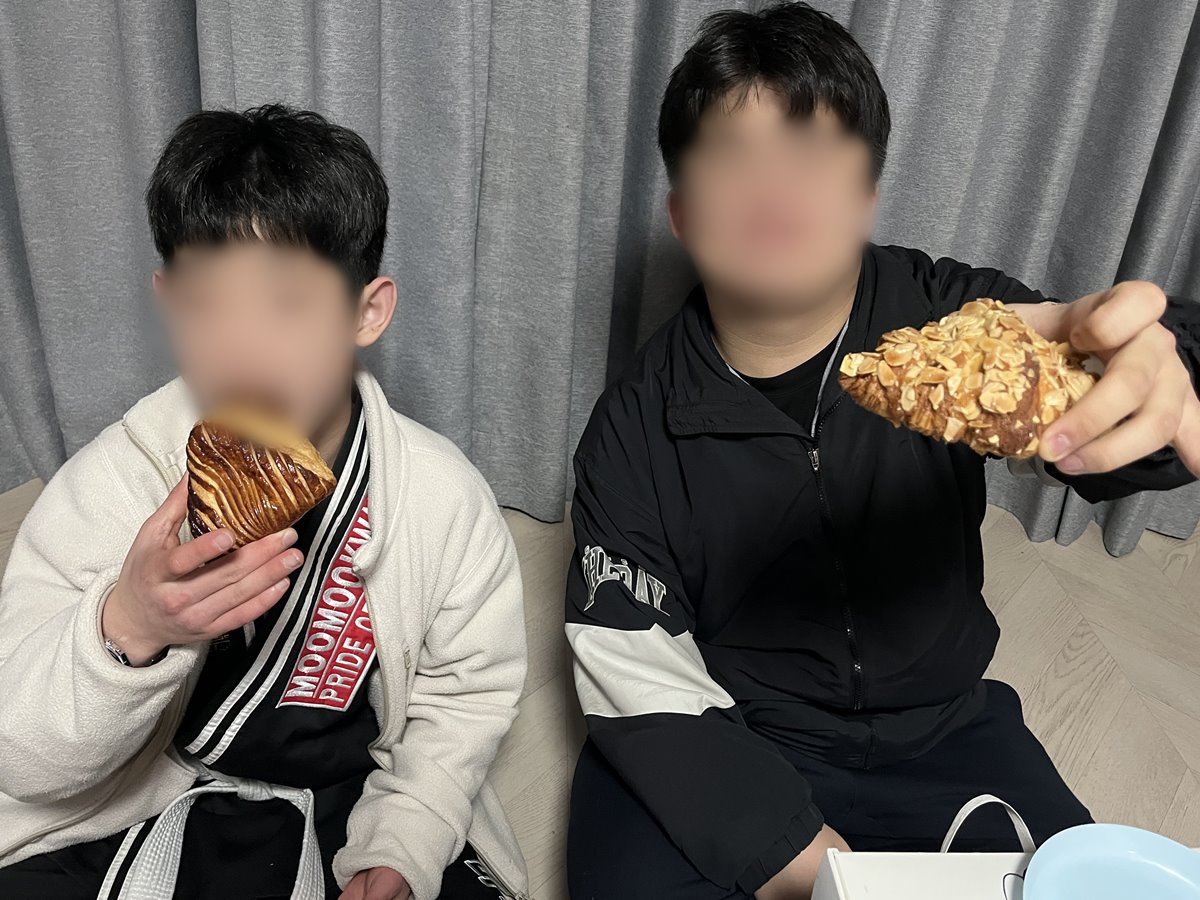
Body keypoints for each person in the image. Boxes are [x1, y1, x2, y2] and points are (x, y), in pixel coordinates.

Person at [565, 4, 1200, 899]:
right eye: (734, 161)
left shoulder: (958, 327)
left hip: (941, 732)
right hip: (736, 728)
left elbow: (1097, 386)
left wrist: (1169, 367)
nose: (776, 193)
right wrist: (802, 861)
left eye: (813, 158)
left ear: (866, 195)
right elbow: (637, 674)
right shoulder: (632, 429)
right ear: (681, 212)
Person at [0, 105, 529, 900]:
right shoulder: (120, 479)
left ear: (367, 311)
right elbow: (20, 752)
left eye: (287, 303)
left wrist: (404, 843)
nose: (243, 348)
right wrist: (129, 625)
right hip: (146, 791)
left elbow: (464, 699)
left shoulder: (441, 497)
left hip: (349, 796)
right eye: (207, 304)